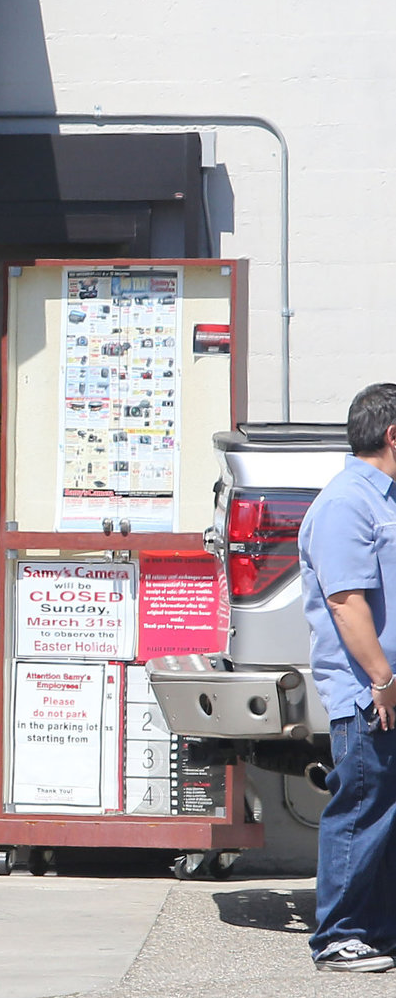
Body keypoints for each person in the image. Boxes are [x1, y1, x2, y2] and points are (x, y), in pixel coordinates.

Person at [301, 383, 396, 972]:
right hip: (369, 693)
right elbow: (345, 601)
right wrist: (383, 681)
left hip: (386, 688)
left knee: (384, 815)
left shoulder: (384, 500)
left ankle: (377, 931)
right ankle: (339, 935)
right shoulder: (347, 503)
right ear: (393, 435)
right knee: (359, 808)